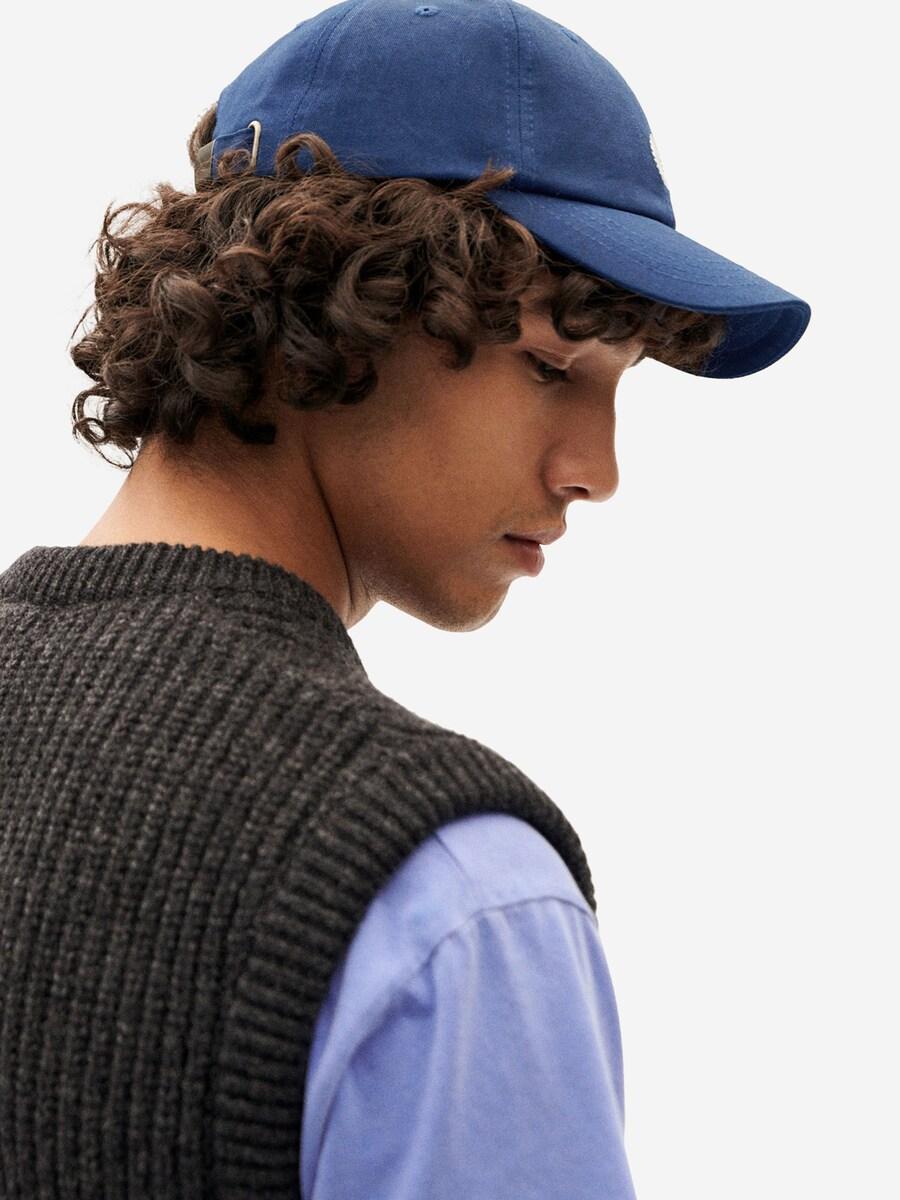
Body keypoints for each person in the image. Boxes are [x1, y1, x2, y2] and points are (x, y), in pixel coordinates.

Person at [0, 2, 810, 1197]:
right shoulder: (451, 902)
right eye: (552, 366)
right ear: (334, 302)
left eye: (622, 385)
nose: (598, 469)